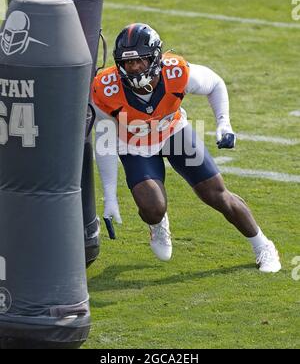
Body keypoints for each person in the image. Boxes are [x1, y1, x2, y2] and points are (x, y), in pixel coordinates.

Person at [92, 23, 281, 273]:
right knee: (151, 209)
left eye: (142, 60)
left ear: (156, 57)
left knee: (216, 194)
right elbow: (104, 141)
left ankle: (263, 245)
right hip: (134, 145)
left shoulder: (175, 71)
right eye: (128, 62)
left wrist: (224, 123)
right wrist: (110, 195)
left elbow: (214, 84)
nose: (135, 67)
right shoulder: (105, 87)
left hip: (173, 133)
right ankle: (158, 223)